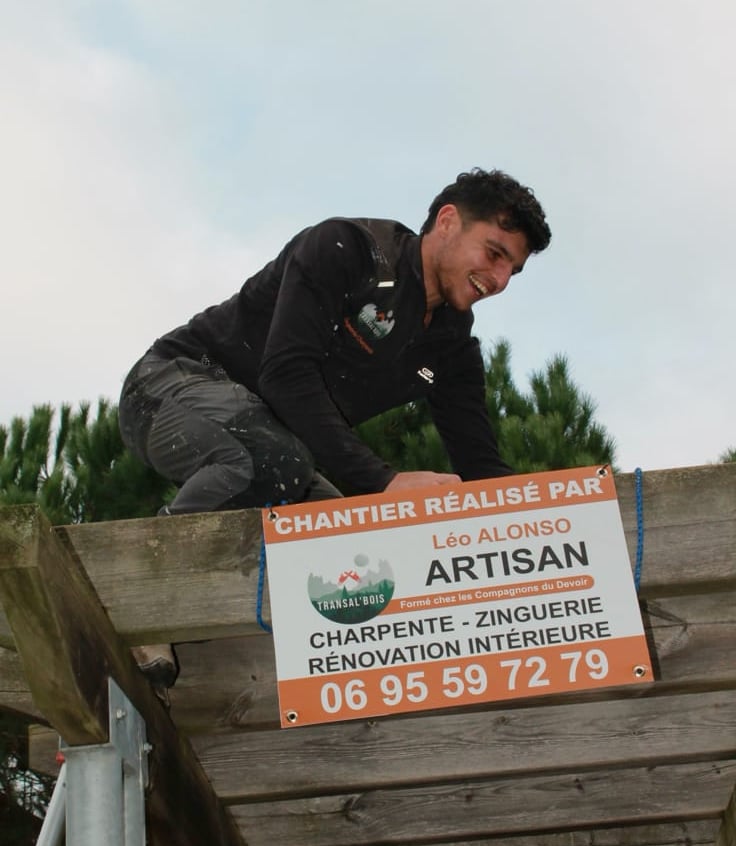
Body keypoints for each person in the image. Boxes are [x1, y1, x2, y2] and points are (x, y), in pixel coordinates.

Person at [119, 167, 551, 690]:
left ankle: (225, 680)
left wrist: (559, 530)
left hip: (275, 446)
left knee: (347, 547)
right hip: (168, 389)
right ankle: (138, 593)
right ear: (448, 221)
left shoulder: (453, 349)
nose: (500, 280)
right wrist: (386, 483)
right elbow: (286, 374)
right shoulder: (347, 248)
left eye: (513, 271)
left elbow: (482, 468)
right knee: (278, 459)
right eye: (494, 253)